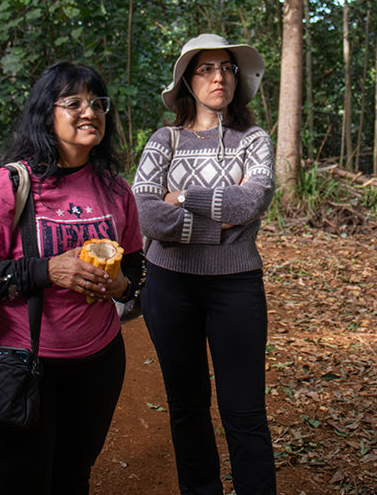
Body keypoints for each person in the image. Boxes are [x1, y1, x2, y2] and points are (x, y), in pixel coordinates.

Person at [0, 62, 143, 495]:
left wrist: (122, 286)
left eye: (97, 103)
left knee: (73, 478)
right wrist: (48, 269)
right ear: (46, 114)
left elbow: (136, 266)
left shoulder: (115, 189)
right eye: (73, 102)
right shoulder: (8, 185)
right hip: (19, 364)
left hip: (97, 363)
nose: (89, 111)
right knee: (23, 485)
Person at [133, 33, 277, 495]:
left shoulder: (252, 139)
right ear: (186, 82)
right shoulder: (164, 139)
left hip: (236, 285)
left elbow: (253, 200)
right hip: (169, 285)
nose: (219, 77)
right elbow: (146, 213)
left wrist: (185, 197)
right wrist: (216, 227)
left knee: (244, 410)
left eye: (227, 69)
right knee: (187, 404)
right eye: (206, 69)